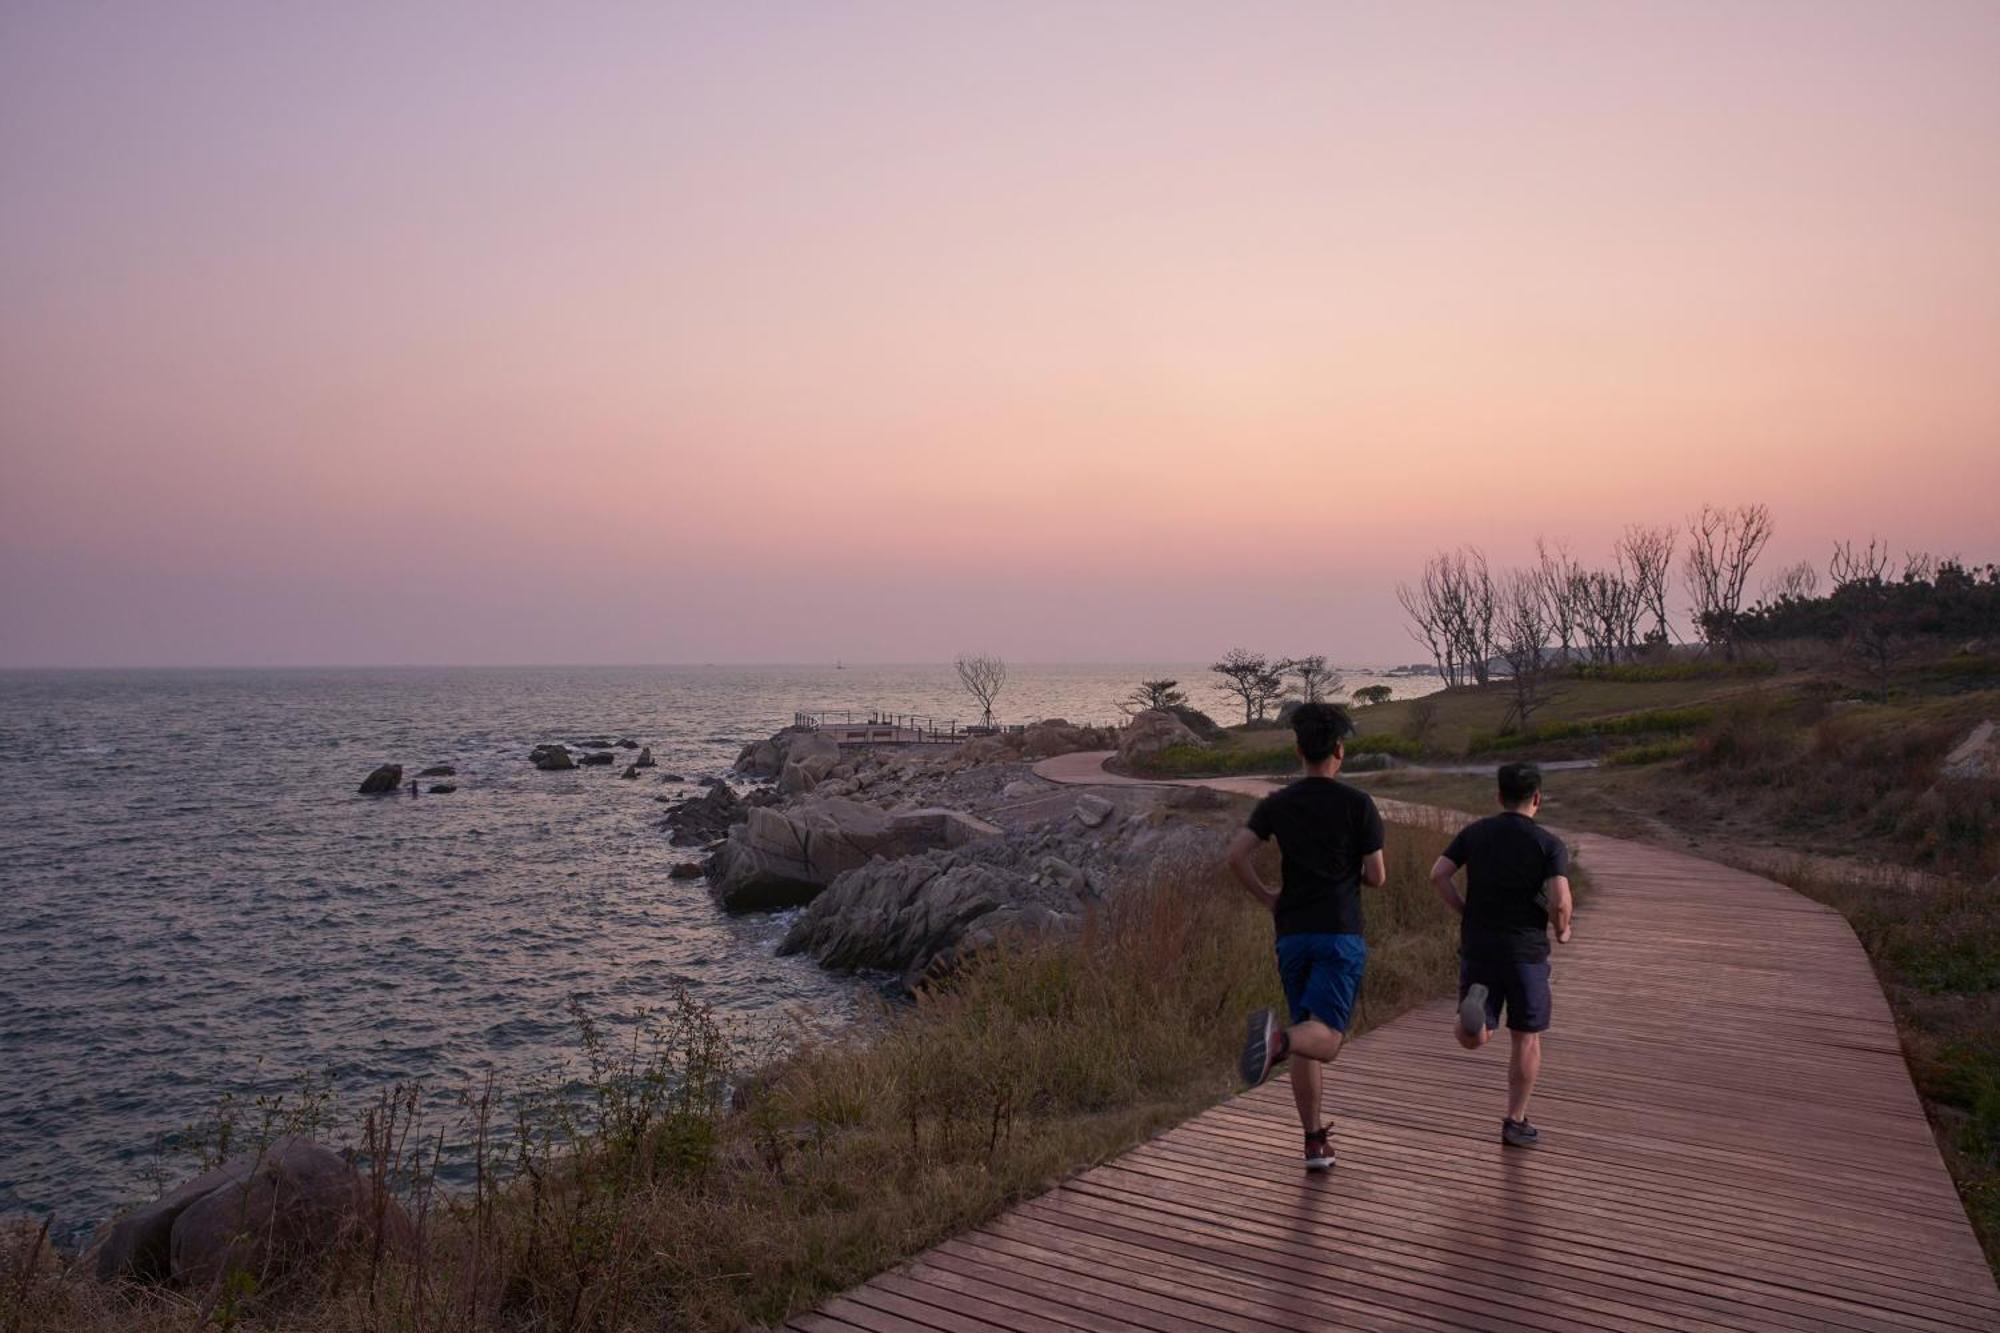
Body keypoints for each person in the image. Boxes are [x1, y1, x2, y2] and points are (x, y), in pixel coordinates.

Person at [1228, 702, 1386, 1172]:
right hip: (1338, 930)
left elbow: (1236, 856)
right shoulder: (1358, 804)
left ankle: (1314, 1141)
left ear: (1299, 750)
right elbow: (1377, 877)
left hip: (1292, 932)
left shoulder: (1277, 804)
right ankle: (1275, 1042)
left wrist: (1268, 897)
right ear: (1340, 751)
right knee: (1328, 1039)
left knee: (1306, 1031)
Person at [1430, 761, 1574, 1147]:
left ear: (1498, 796)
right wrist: (1562, 931)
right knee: (1526, 1038)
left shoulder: (1475, 833)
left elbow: (1438, 874)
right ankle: (1515, 1121)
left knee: (1475, 1037)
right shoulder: (1548, 844)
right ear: (1537, 798)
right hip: (1525, 952)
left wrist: (1464, 910)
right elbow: (1560, 900)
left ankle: (1472, 1022)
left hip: (1479, 945)